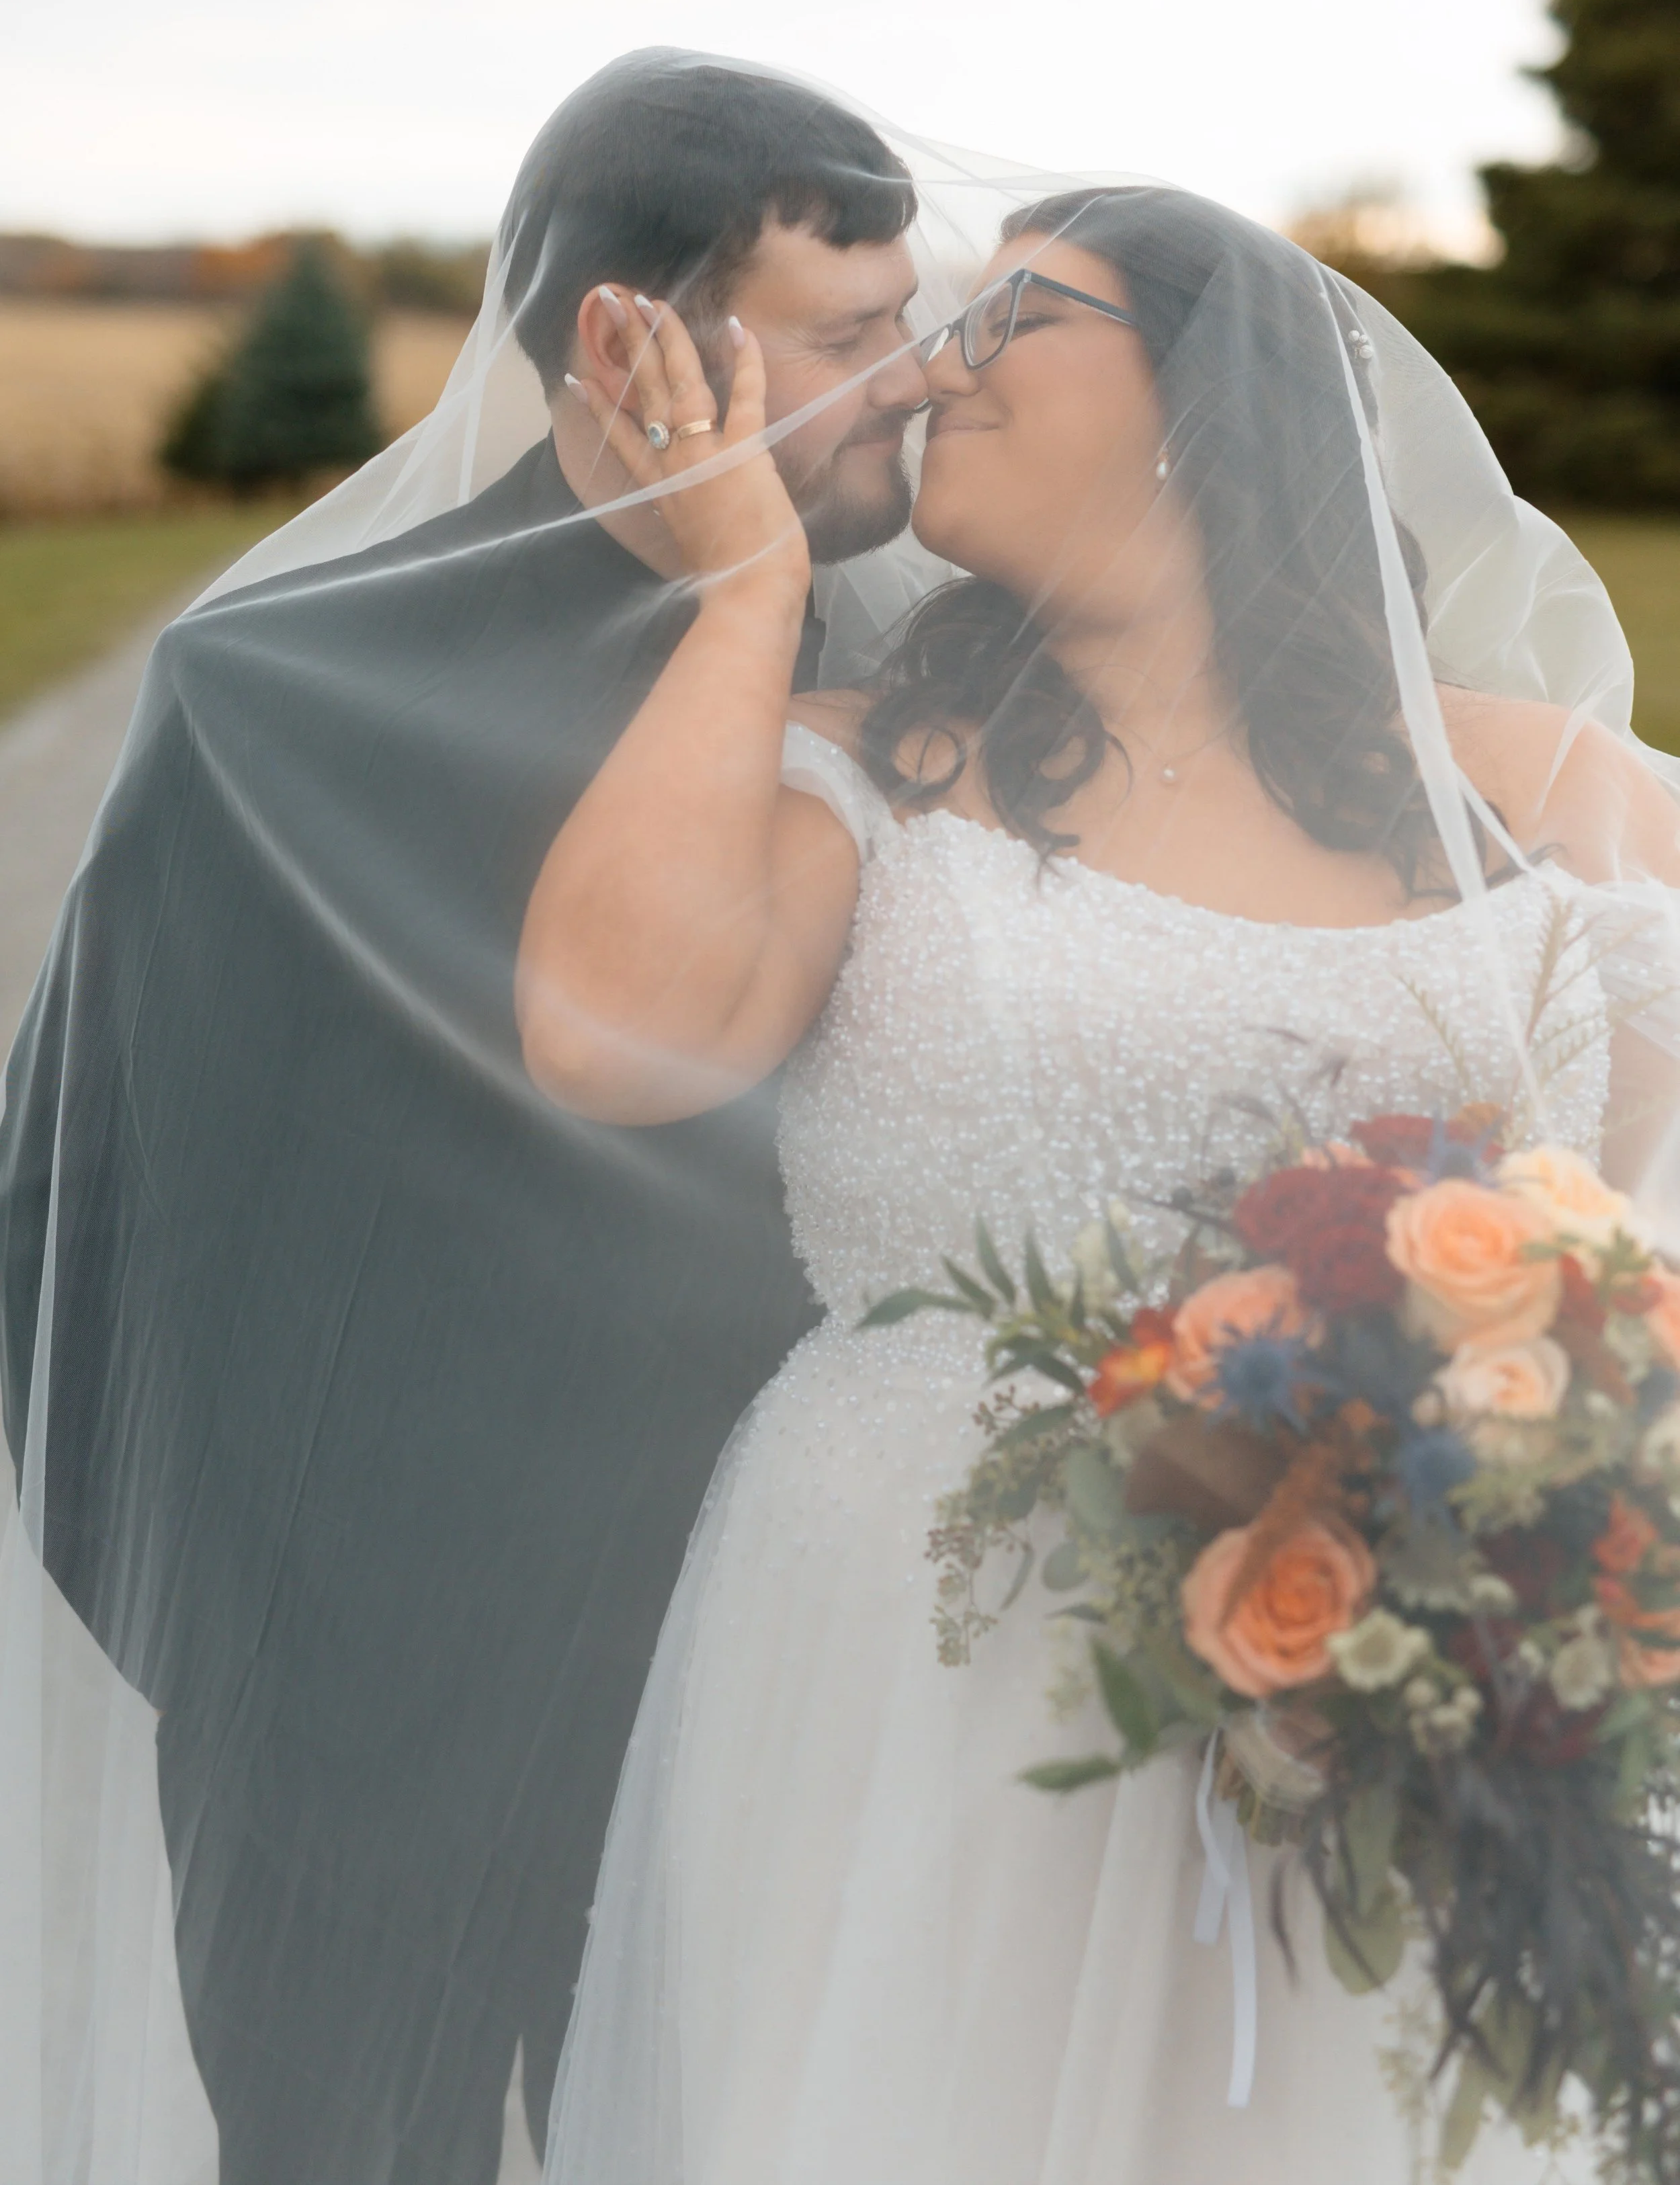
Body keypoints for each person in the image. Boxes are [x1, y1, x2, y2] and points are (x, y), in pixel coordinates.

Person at [519, 183, 1680, 2179]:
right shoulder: (864, 756)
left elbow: (1622, 1239)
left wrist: (1515, 1495)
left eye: (1011, 317)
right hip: (928, 1655)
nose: (933, 363)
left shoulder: (1548, 789)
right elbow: (612, 1033)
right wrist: (741, 587)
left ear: (1198, 401)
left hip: (1397, 1684)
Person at [0, 50, 927, 2185]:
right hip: (362, 1737)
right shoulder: (273, 701)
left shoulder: (950, 690)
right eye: (854, 333)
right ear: (630, 339)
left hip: (791, 1666)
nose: (917, 382)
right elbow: (92, 1228)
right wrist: (273, 1685)